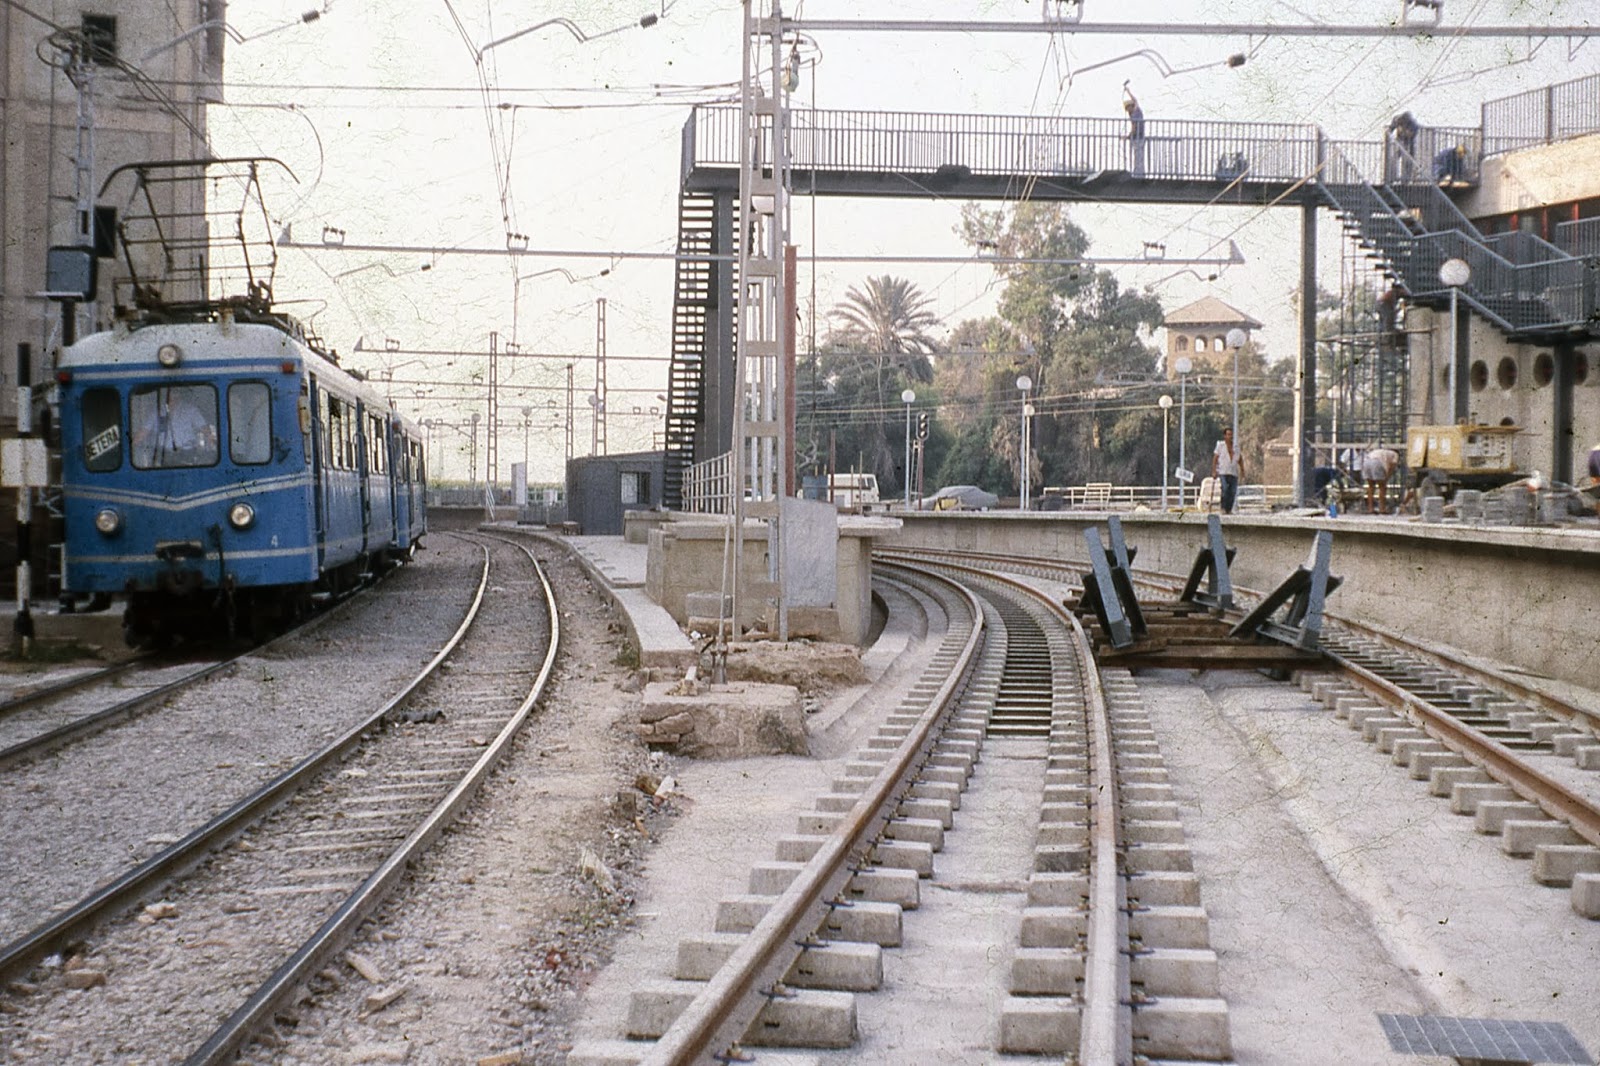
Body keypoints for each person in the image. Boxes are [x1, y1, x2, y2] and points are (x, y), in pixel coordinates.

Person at [1362, 445, 1401, 514]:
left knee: (1371, 487)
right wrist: (1387, 477)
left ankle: (1370, 509)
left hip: (1367, 461)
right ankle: (1382, 509)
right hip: (1377, 463)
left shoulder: (1381, 451)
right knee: (1382, 487)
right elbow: (1392, 466)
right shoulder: (1395, 454)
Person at [1211, 427, 1241, 515]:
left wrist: (1242, 470)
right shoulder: (1220, 445)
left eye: (1231, 435)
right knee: (1225, 488)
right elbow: (1215, 458)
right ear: (1224, 436)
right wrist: (1214, 470)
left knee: (1232, 491)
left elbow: (1240, 459)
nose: (1230, 436)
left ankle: (1229, 509)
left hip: (1233, 472)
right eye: (1228, 435)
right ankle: (1223, 508)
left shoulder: (1236, 447)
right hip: (1223, 471)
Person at [1387, 111, 1419, 181]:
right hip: (1400, 140)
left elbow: (1413, 133)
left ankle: (1406, 178)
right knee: (1394, 158)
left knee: (1408, 159)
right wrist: (1389, 133)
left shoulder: (1413, 124)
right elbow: (1391, 128)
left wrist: (1409, 134)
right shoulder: (1397, 119)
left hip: (1410, 141)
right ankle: (1392, 177)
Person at [1123, 82, 1145, 177]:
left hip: (1138, 137)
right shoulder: (1134, 114)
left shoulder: (1136, 112)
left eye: (1128, 108)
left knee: (1138, 156)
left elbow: (1134, 126)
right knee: (1137, 155)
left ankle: (1138, 174)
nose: (1128, 110)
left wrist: (1128, 91)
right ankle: (1138, 173)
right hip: (1137, 136)